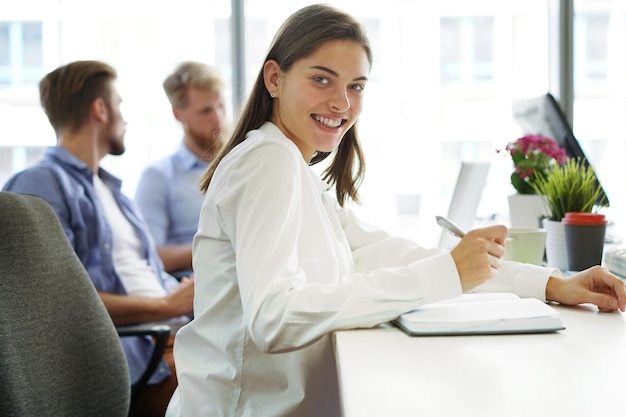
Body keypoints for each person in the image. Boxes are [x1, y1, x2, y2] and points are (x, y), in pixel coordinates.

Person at [166, 4, 626, 417]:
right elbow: (277, 318)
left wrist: (549, 283)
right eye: (321, 79)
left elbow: (390, 253)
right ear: (274, 79)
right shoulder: (267, 162)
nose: (342, 103)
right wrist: (445, 273)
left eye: (356, 86)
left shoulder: (292, 168)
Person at [2, 60, 193, 417]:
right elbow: (54, 306)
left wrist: (186, 293)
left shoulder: (114, 192)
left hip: (175, 336)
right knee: (244, 379)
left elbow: (142, 274)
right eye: (119, 104)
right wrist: (168, 307)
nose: (125, 117)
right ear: (100, 109)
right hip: (143, 356)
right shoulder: (40, 185)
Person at [135, 61, 227, 279]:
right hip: (195, 293)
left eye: (221, 106)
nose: (218, 119)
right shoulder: (158, 177)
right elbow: (151, 255)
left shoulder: (243, 163)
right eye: (205, 111)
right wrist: (222, 248)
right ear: (178, 114)